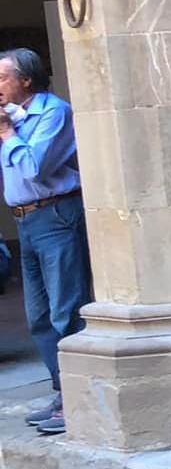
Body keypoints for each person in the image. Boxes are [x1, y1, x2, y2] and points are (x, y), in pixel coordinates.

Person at [0, 48, 88, 436]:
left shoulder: (53, 112)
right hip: (25, 220)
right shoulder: (15, 119)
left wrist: (6, 134)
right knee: (38, 316)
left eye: (2, 78)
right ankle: (62, 393)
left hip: (55, 214)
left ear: (26, 81)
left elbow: (36, 167)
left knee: (65, 309)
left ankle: (80, 400)